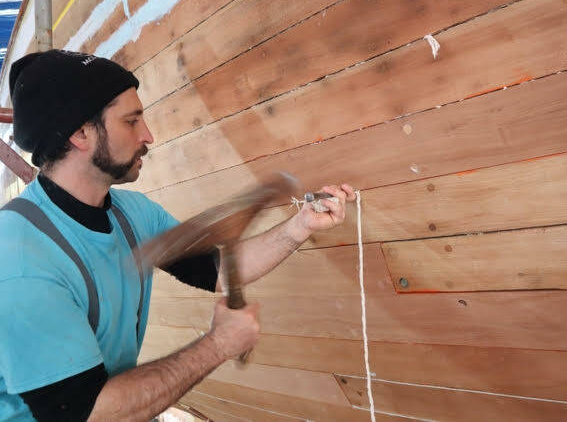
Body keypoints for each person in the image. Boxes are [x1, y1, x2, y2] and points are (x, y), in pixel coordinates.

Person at [0, 49, 355, 421]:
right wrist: (218, 345)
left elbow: (215, 269)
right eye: (132, 121)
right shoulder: (19, 258)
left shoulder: (132, 213)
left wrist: (299, 227)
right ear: (80, 133)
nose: (148, 134)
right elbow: (89, 413)